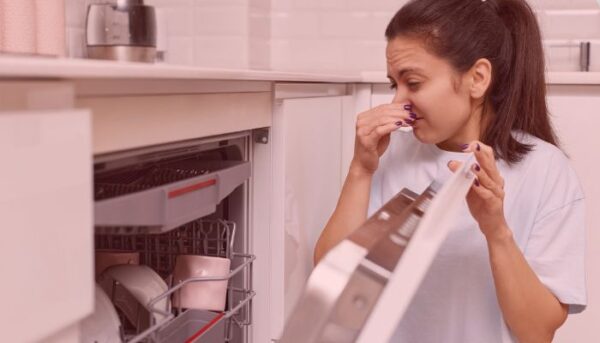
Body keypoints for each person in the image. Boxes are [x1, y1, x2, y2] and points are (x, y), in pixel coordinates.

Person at [313, 0, 587, 341]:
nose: (399, 101)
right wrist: (360, 171)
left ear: (477, 78)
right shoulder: (390, 156)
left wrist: (495, 230)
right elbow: (330, 285)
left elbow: (537, 332)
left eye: (413, 83)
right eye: (393, 85)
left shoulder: (546, 172)